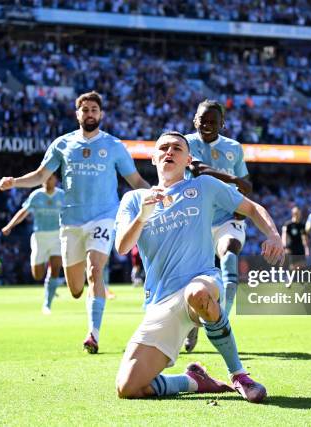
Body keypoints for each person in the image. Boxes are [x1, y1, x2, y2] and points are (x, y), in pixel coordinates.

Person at [114, 131, 284, 403]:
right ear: (153, 157)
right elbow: (122, 246)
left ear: (188, 158)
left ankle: (239, 375)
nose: (170, 152)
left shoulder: (204, 186)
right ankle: (193, 381)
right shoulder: (134, 200)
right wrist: (143, 216)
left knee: (197, 292)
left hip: (202, 280)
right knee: (129, 387)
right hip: (161, 301)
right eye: (164, 148)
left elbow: (252, 208)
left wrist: (274, 235)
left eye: (177, 148)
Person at [0, 91, 149, 352]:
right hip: (70, 222)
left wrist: (159, 195)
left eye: (94, 110)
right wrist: (15, 182)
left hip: (103, 217)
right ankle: (83, 298)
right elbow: (40, 175)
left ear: (100, 114)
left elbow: (135, 181)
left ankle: (94, 333)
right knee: (76, 289)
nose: (90, 114)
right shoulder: (62, 144)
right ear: (77, 113)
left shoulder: (114, 146)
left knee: (95, 270)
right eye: (85, 110)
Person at [183, 99, 252, 352]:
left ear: (222, 123)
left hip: (226, 219)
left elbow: (246, 183)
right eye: (203, 120)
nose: (207, 125)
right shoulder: (186, 142)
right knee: (192, 279)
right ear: (195, 120)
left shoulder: (234, 148)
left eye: (213, 121)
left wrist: (242, 205)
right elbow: (197, 169)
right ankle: (191, 327)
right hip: (195, 219)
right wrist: (233, 180)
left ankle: (222, 319)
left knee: (230, 251)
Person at [2, 175, 65, 314]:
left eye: (51, 178)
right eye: (46, 179)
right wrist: (9, 226)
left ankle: (47, 303)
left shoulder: (62, 195)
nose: (48, 181)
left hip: (57, 236)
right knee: (37, 275)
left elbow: (72, 212)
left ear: (55, 180)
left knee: (55, 269)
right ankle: (51, 286)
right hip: (39, 237)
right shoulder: (36, 195)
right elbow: (23, 212)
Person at [282, 206, 309, 287]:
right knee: (293, 266)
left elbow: (304, 237)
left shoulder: (302, 225)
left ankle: (301, 281)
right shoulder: (288, 225)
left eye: (299, 213)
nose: (298, 215)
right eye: (296, 213)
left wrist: (306, 248)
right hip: (292, 247)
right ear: (293, 214)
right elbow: (284, 236)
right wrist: (285, 246)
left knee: (302, 265)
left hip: (300, 247)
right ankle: (289, 281)